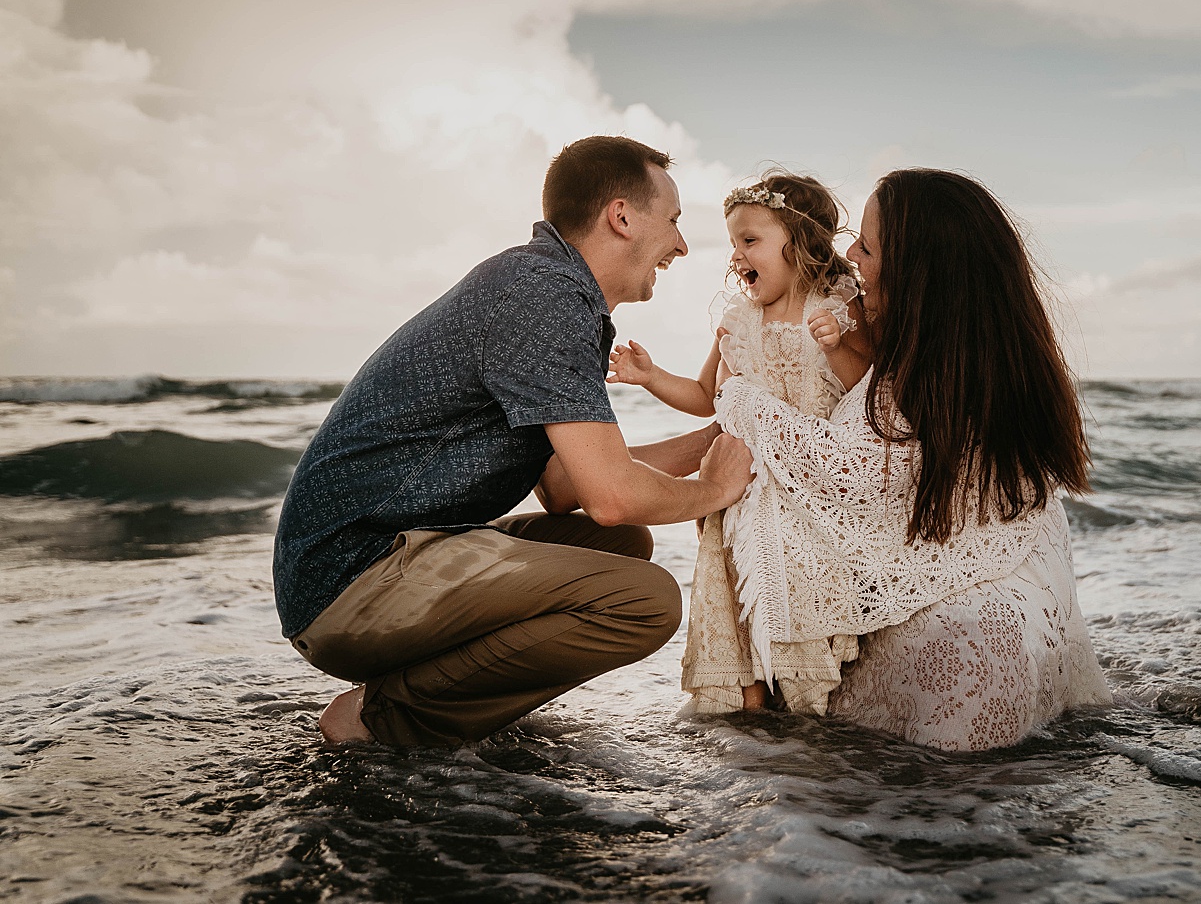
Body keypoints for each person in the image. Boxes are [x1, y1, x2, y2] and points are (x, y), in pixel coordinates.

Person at [273, 135, 753, 748]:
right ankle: (381, 716)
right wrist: (714, 488)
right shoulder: (543, 297)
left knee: (622, 544)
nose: (682, 245)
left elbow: (563, 486)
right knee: (645, 601)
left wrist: (722, 436)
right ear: (623, 216)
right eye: (675, 221)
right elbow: (611, 493)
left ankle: (438, 681)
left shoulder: (547, 287)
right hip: (349, 580)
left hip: (384, 555)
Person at [712, 168, 1113, 751]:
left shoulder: (921, 376)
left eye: (868, 246)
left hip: (968, 660)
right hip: (1014, 630)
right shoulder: (971, 358)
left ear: (916, 272)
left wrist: (738, 397)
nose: (849, 254)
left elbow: (850, 474)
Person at [607, 171, 871, 715]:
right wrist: (652, 376)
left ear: (798, 244)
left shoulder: (838, 304)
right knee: (735, 602)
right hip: (737, 494)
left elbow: (864, 391)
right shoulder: (737, 320)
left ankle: (805, 709)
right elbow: (708, 395)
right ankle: (749, 715)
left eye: (750, 241)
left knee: (800, 605)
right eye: (733, 243)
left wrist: (840, 345)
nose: (737, 255)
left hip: (807, 490)